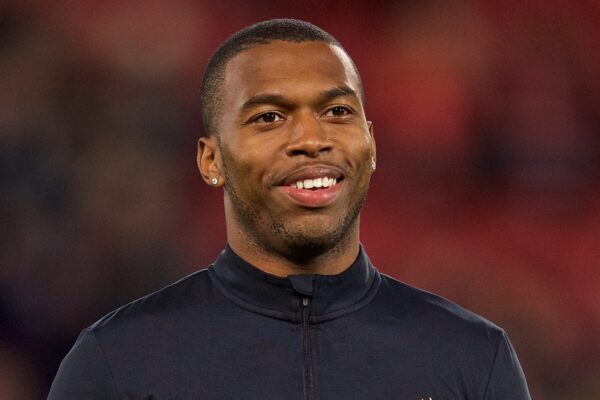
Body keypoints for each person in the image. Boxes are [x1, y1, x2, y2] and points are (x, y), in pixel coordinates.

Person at [49, 19, 531, 399]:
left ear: (372, 143)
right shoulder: (117, 361)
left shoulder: (470, 357)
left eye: (337, 112)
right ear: (211, 159)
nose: (311, 139)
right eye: (269, 117)